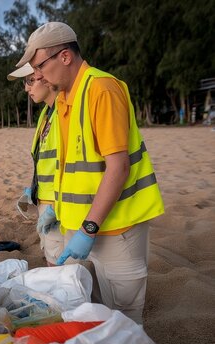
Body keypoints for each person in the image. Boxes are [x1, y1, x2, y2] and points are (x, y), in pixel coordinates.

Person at [15, 22, 165, 323]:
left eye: (40, 66)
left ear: (66, 56)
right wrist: (57, 209)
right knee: (94, 312)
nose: (38, 76)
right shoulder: (64, 99)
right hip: (81, 227)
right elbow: (69, 169)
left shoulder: (101, 89)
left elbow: (118, 167)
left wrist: (88, 229)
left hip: (116, 228)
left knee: (124, 317)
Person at [8, 63, 64, 266]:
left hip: (61, 208)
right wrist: (34, 190)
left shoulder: (65, 113)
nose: (26, 88)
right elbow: (46, 162)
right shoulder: (46, 114)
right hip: (47, 203)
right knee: (52, 261)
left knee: (61, 269)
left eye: (30, 80)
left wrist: (57, 207)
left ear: (47, 76)